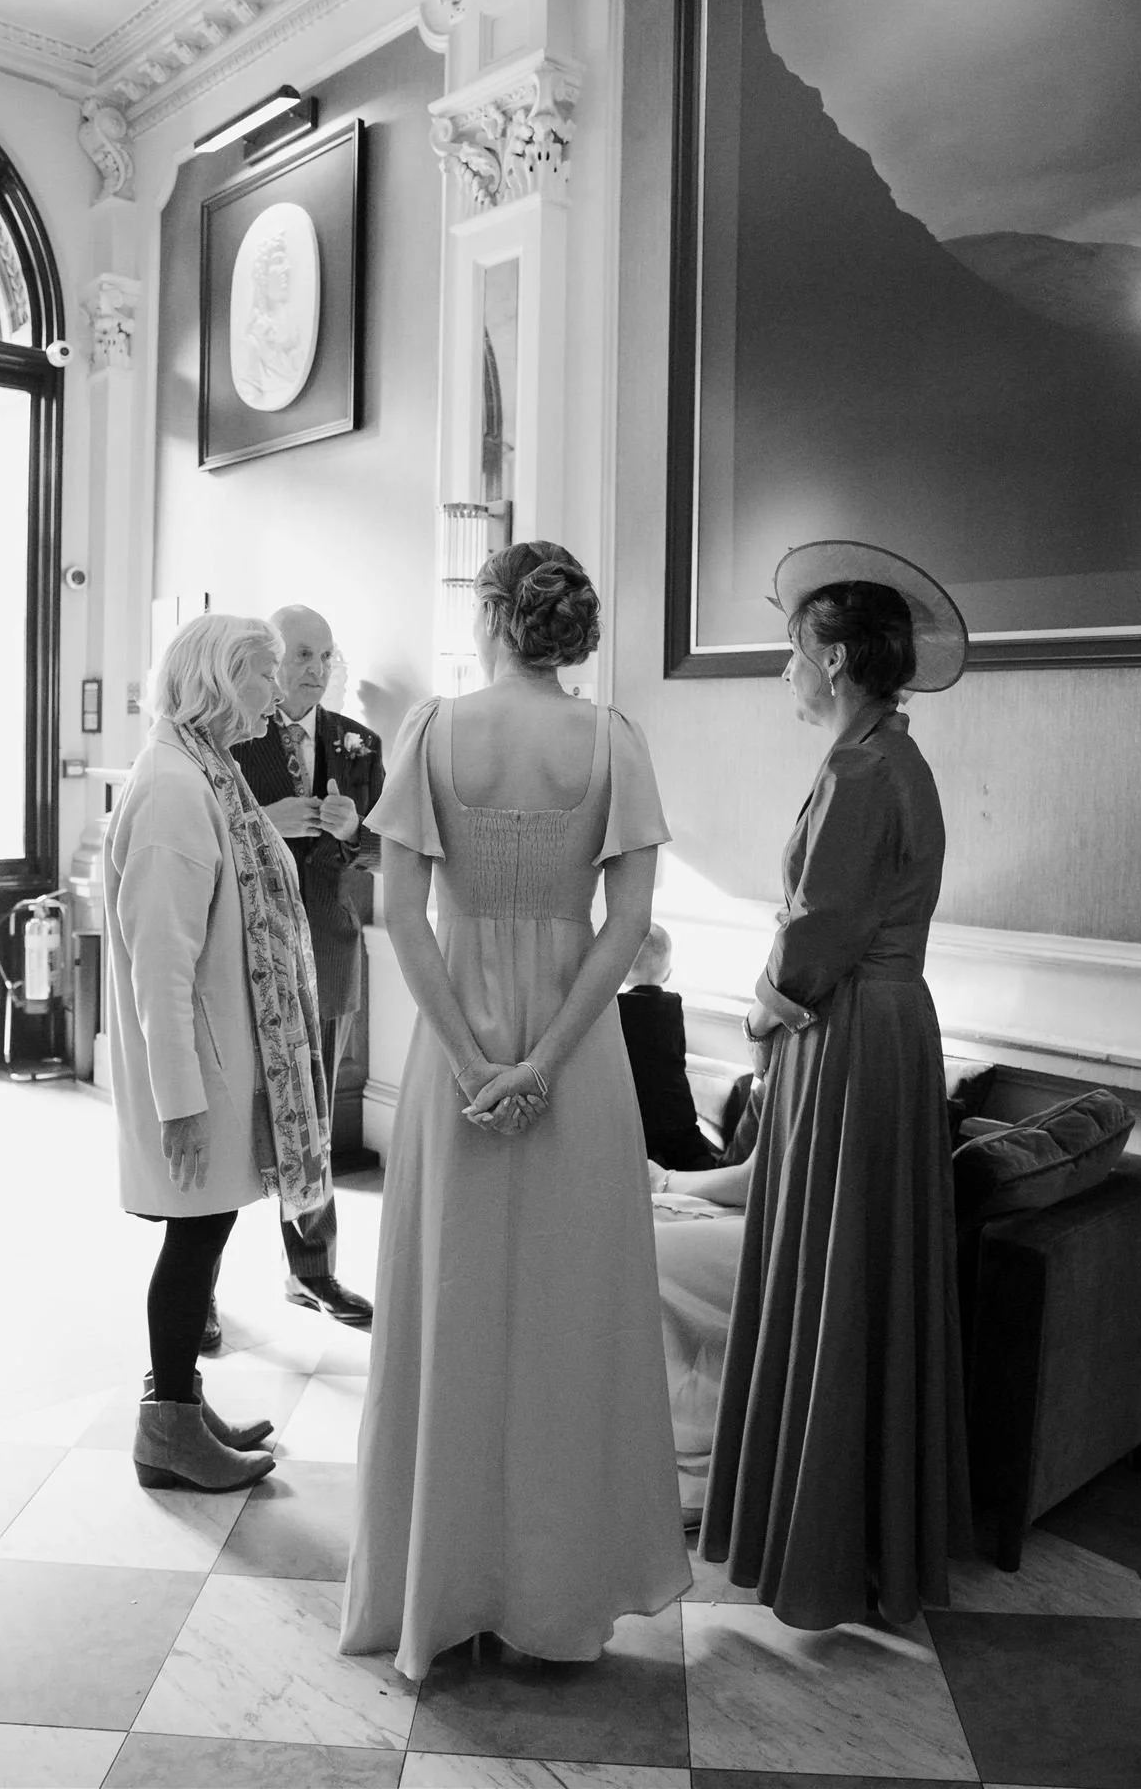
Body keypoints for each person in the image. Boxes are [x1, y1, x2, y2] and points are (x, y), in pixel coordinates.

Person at [340, 541, 691, 1680]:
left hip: (454, 1057)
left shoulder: (432, 733)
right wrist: (539, 1063)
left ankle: (443, 1592)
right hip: (577, 1061)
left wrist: (472, 1063)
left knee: (450, 1307)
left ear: (492, 615)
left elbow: (400, 915)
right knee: (568, 1322)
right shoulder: (612, 740)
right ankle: (554, 1601)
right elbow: (625, 926)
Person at [699, 540, 973, 1629]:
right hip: (884, 1026)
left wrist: (761, 1009)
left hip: (849, 1030)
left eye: (792, 653)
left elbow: (817, 932)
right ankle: (862, 1533)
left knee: (834, 1269)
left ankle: (823, 1541)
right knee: (853, 1268)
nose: (784, 672)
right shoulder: (891, 755)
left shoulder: (862, 771)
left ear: (834, 658)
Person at [103, 614, 330, 1491]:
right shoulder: (173, 786)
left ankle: (181, 1407)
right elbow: (160, 962)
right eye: (263, 674)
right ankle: (166, 1428)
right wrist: (180, 1103)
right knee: (194, 1240)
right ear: (218, 680)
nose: (276, 694)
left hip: (220, 1058)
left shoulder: (204, 768)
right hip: (198, 1070)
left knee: (207, 1233)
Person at [216, 603, 382, 1334]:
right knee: (232, 1122)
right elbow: (205, 836)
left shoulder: (358, 743)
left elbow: (385, 849)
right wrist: (264, 822)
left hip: (329, 951)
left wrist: (355, 832)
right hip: (245, 955)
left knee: (313, 1121)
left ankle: (311, 1273)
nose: (315, 670)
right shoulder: (227, 736)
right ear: (270, 660)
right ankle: (199, 1290)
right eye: (301, 655)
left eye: (325, 656)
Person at [617, 924, 717, 1171]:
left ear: (621, 971)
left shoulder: (615, 1009)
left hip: (635, 1117)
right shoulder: (672, 1006)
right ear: (668, 973)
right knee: (696, 1160)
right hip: (676, 1112)